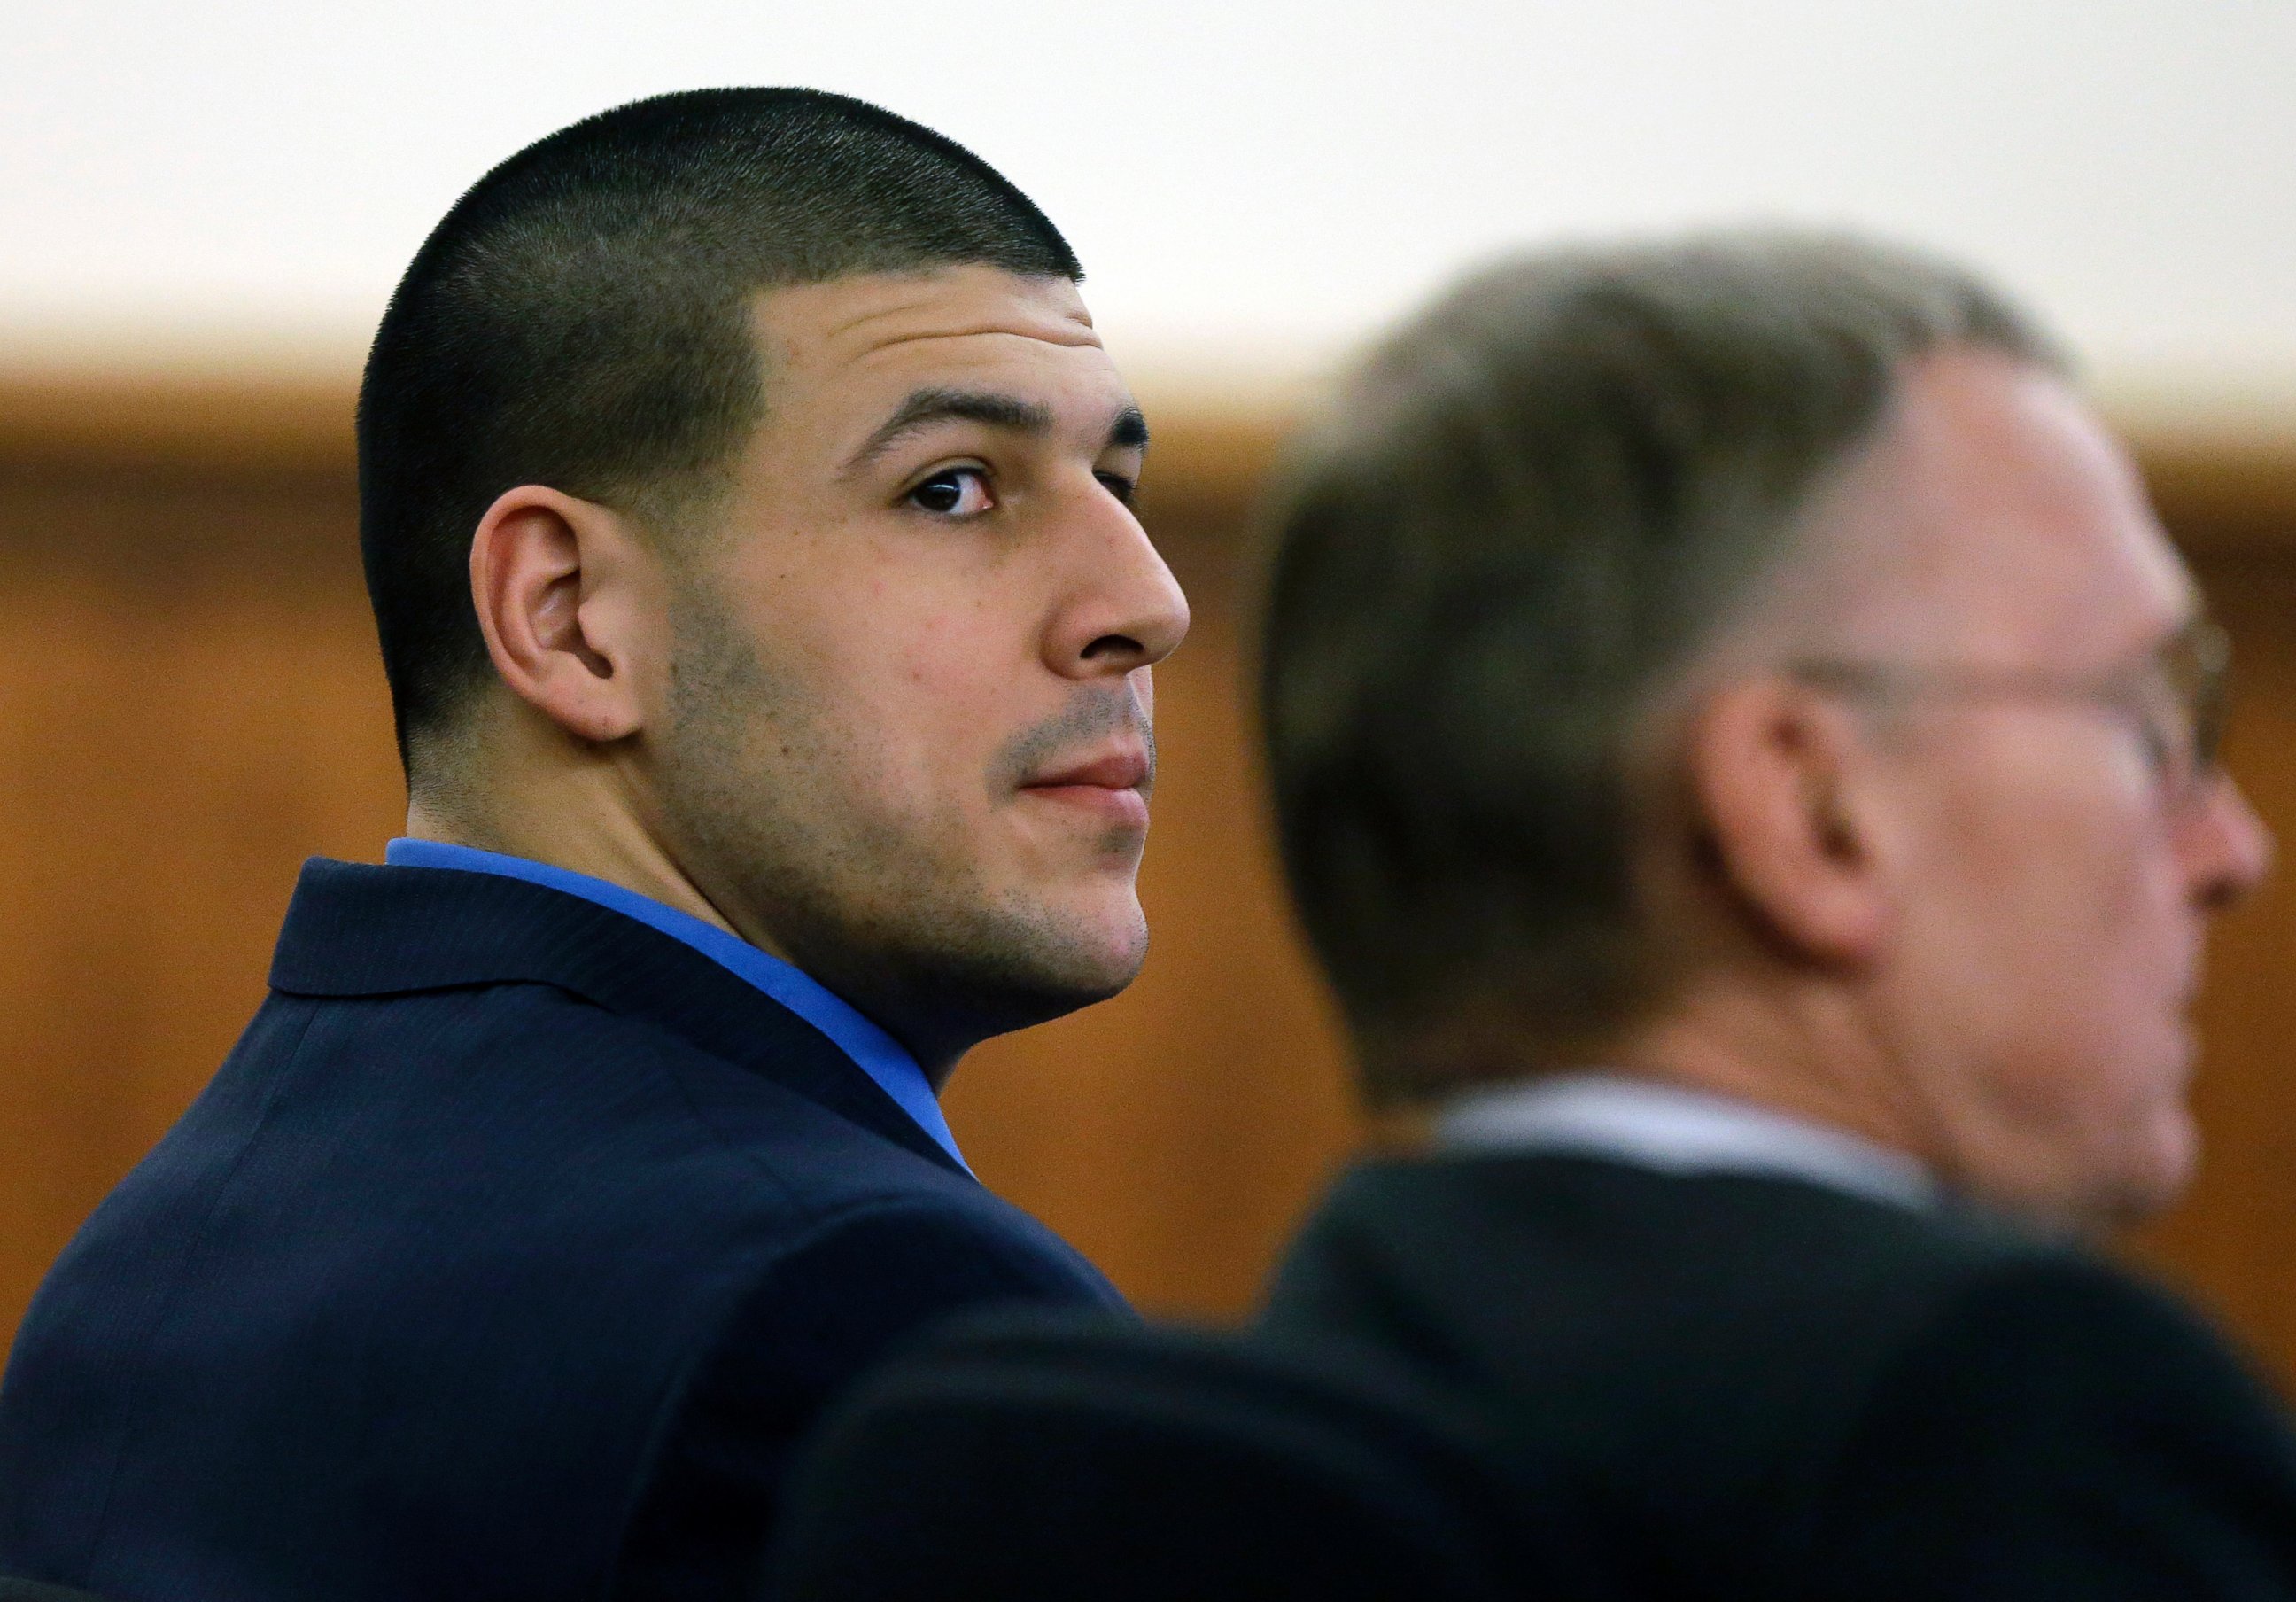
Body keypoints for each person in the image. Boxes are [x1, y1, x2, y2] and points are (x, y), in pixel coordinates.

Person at [0, 88, 1184, 1601]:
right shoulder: (865, 1313)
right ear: (566, 617)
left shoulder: (161, 1243)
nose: (1146, 601)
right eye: (951, 489)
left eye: (1124, 488)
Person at [1252, 234, 2296, 1594]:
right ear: (1810, 814)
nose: (2231, 849)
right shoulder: (2010, 1418)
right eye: (2143, 716)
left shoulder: (1292, 1371)